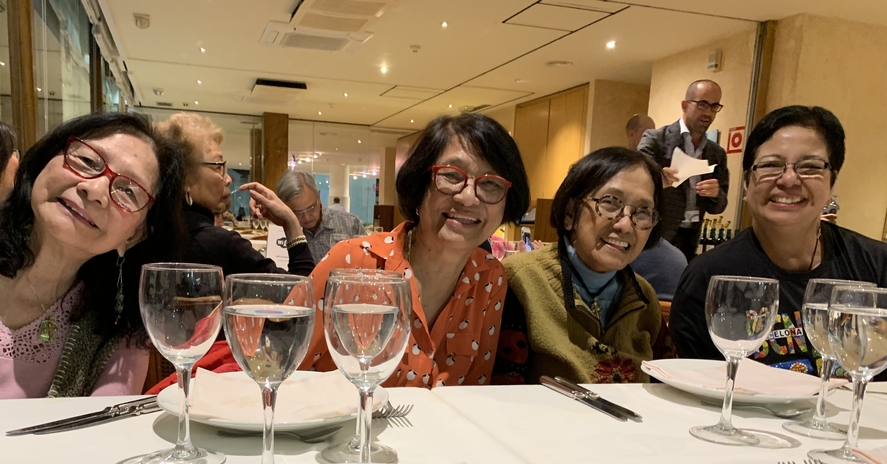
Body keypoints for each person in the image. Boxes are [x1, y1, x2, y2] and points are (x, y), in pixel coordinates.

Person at [0, 112, 187, 400]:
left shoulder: (119, 322)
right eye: (87, 161)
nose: (95, 189)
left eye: (128, 190)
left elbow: (99, 431)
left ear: (135, 234)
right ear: (45, 162)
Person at [300, 113, 530, 387]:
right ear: (419, 187)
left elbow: (472, 396)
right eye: (451, 176)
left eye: (491, 184)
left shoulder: (490, 278)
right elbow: (278, 367)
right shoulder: (351, 261)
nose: (468, 197)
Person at [669, 105, 887, 374]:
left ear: (832, 184)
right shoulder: (708, 278)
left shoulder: (876, 267)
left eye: (810, 167)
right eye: (771, 165)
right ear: (747, 184)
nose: (789, 179)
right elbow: (698, 389)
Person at [493, 147, 671, 385]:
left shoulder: (643, 296)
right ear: (570, 212)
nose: (626, 225)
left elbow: (668, 385)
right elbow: (501, 396)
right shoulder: (520, 282)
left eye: (642, 212)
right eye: (610, 203)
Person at [155, 113, 314, 277]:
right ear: (183, 179)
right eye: (218, 166)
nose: (228, 178)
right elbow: (303, 291)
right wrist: (292, 224)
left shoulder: (147, 232)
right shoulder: (219, 244)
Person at [638, 80, 729, 260]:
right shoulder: (655, 139)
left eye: (714, 106)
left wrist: (715, 193)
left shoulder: (716, 153)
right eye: (702, 104)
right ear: (685, 105)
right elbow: (635, 180)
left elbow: (719, 206)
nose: (708, 112)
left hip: (691, 235)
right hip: (656, 232)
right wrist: (658, 178)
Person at [276, 170, 365, 262]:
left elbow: (369, 264)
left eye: (311, 208)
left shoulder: (350, 224)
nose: (307, 217)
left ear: (318, 195)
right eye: (298, 212)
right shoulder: (280, 232)